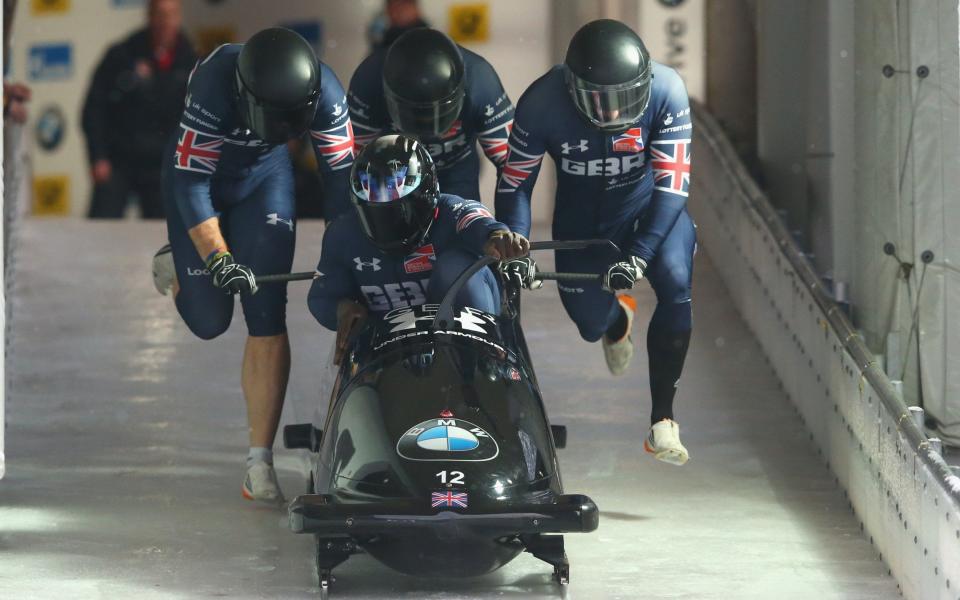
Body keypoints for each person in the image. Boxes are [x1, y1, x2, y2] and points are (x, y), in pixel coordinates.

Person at [151, 27, 354, 504]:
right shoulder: (215, 84)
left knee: (266, 313)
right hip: (200, 181)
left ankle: (258, 462)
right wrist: (219, 259)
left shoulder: (326, 91)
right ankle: (178, 259)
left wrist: (349, 263)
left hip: (265, 179)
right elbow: (190, 185)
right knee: (209, 320)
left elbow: (341, 188)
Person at [494, 19, 695, 466]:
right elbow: (515, 186)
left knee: (676, 279)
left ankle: (663, 420)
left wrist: (642, 254)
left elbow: (673, 187)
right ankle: (615, 321)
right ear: (572, 88)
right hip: (582, 224)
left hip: (647, 215)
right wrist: (516, 245)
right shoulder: (541, 101)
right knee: (588, 325)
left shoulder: (667, 90)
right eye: (598, 103)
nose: (611, 114)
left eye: (623, 101)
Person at [308, 134, 528, 359]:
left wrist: (498, 236)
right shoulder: (342, 234)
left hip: (460, 348)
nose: (388, 226)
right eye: (376, 213)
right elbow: (321, 296)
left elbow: (477, 222)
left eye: (397, 211)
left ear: (428, 195)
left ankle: (482, 361)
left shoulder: (453, 210)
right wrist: (341, 308)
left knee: (457, 266)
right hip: (388, 353)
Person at [348, 28, 513, 204]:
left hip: (455, 172)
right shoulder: (368, 81)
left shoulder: (481, 81)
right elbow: (349, 163)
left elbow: (511, 165)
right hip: (393, 174)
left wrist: (510, 229)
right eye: (416, 115)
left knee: (459, 219)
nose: (426, 131)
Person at [81, 0, 196, 219]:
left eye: (171, 15)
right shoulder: (121, 55)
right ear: (149, 16)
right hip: (119, 160)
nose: (166, 22)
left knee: (167, 234)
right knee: (100, 229)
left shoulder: (192, 61)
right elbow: (94, 109)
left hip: (163, 164)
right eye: (160, 15)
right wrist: (98, 156)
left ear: (179, 18)